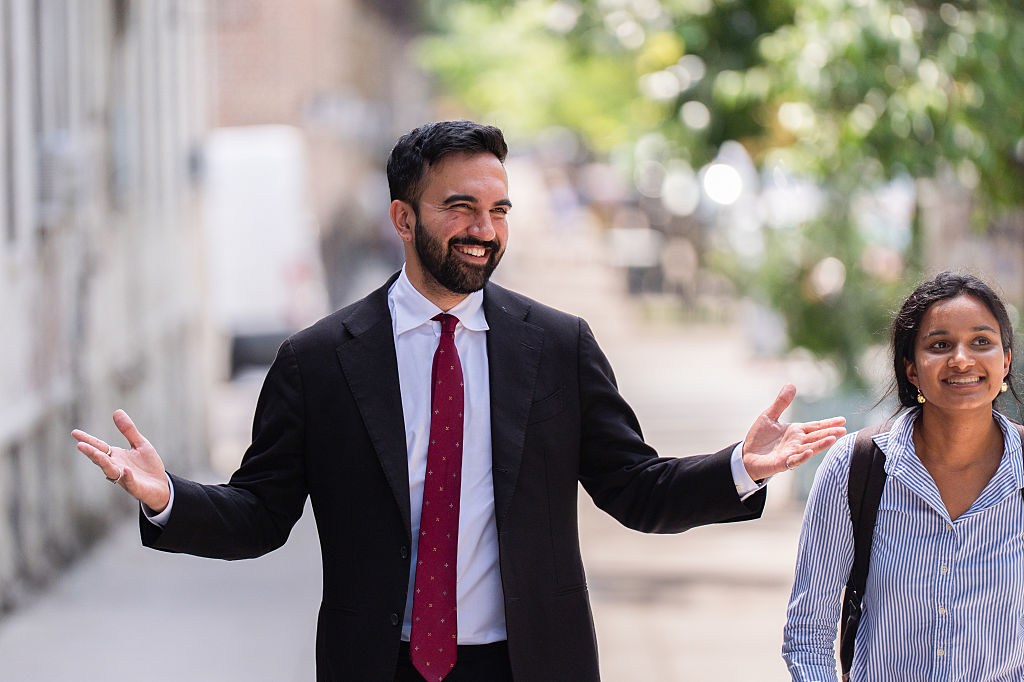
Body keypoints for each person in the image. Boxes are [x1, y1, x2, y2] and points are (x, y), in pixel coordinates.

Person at [73, 120, 846, 682]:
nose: (484, 231)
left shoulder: (557, 346)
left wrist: (740, 468)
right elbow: (260, 512)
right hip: (379, 666)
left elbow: (633, 489)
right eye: (461, 208)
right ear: (403, 218)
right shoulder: (317, 361)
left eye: (499, 210)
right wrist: (167, 496)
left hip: (531, 665)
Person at [782, 271, 1024, 681]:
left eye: (981, 342)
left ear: (1005, 362)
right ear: (912, 370)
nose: (962, 359)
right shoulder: (855, 467)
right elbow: (809, 633)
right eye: (940, 345)